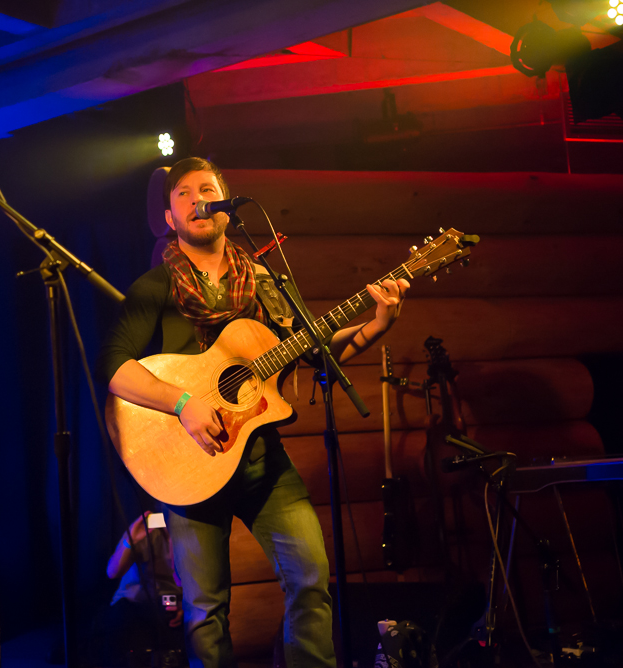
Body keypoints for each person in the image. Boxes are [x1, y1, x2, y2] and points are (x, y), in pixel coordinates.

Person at [99, 157, 410, 668]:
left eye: (208, 189)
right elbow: (114, 369)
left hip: (263, 461)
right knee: (204, 612)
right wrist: (184, 403)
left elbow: (313, 351)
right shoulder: (156, 288)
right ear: (170, 217)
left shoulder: (265, 282)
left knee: (311, 579)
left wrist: (376, 325)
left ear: (226, 207)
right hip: (188, 467)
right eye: (184, 194)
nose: (199, 199)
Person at [95, 511, 184, 666]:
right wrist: (130, 541)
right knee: (121, 617)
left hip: (168, 599)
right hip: (132, 600)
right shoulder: (149, 526)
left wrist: (185, 606)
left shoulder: (188, 530)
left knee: (173, 617)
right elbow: (112, 572)